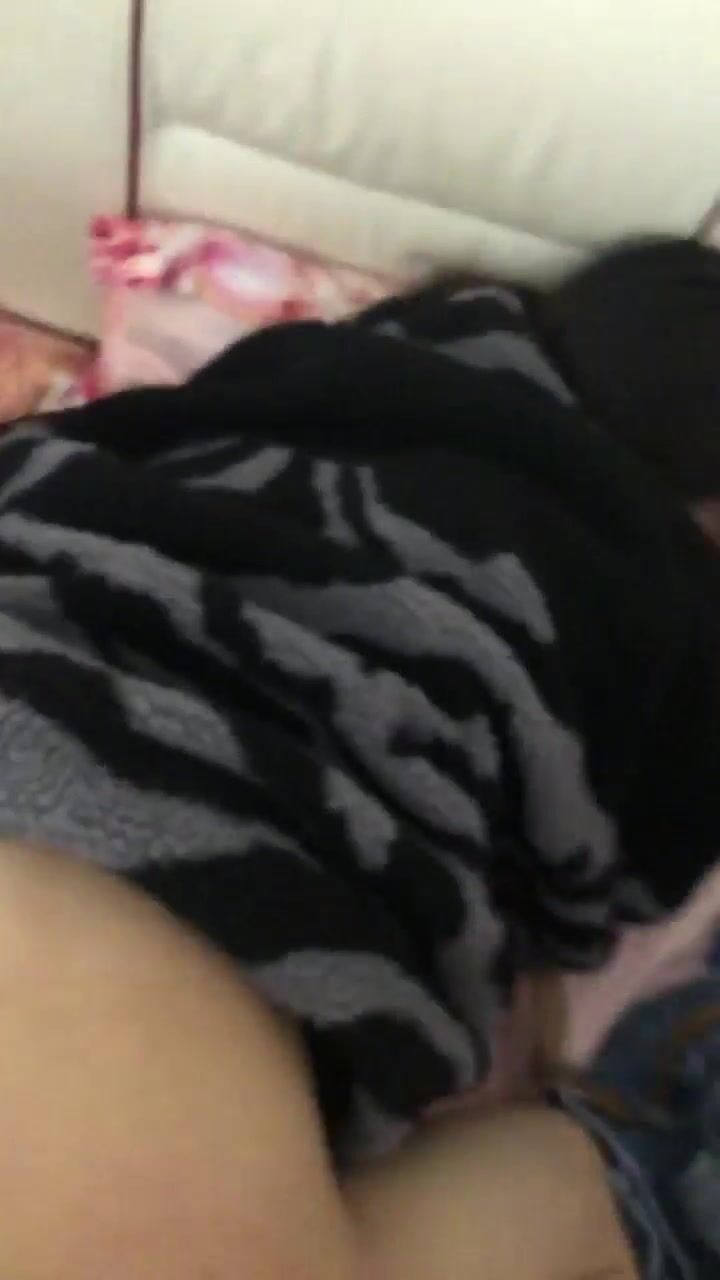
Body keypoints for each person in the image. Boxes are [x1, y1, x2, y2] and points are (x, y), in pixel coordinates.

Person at [0, 236, 718, 1278]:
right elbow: (649, 846)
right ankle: (598, 1178)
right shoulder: (642, 574)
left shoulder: (340, 372)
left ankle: (591, 1183)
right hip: (132, 732)